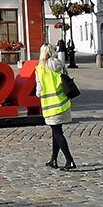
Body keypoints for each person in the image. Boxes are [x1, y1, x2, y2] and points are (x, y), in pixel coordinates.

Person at [35, 43, 76, 171]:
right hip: (63, 103)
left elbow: (39, 90)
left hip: (51, 105)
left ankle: (70, 160)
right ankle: (54, 159)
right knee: (56, 131)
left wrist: (39, 94)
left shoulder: (41, 68)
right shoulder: (60, 64)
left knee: (57, 132)